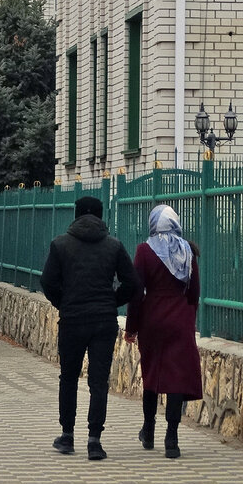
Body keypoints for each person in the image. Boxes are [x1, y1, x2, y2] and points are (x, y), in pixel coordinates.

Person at [41, 196, 139, 461]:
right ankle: (95, 441)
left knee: (68, 377)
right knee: (98, 381)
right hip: (103, 322)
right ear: (100, 215)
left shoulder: (60, 244)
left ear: (76, 215)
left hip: (72, 320)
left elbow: (48, 282)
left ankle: (67, 436)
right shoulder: (114, 245)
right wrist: (111, 302)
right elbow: (132, 283)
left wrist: (64, 302)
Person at [125, 204, 202, 460]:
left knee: (152, 374)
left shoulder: (144, 250)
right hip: (180, 321)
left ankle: (148, 430)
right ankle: (172, 438)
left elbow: (136, 293)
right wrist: (187, 316)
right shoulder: (187, 251)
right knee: (177, 377)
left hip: (152, 321)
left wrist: (131, 328)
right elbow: (194, 293)